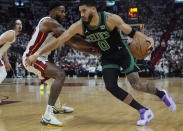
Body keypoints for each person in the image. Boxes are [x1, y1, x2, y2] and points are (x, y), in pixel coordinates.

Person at [25, 0, 176, 126]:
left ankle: (162, 94)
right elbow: (60, 40)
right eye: (80, 12)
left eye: (84, 11)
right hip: (107, 57)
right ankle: (144, 111)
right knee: (111, 86)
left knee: (136, 84)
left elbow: (132, 33)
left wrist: (148, 38)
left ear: (93, 9)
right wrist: (37, 54)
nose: (81, 14)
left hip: (122, 52)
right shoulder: (79, 25)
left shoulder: (110, 18)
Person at [22, 2, 98, 127]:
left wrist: (91, 50)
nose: (64, 14)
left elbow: (71, 43)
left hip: (41, 58)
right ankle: (47, 116)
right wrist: (93, 47)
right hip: (32, 58)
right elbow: (72, 39)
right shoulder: (49, 22)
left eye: (64, 12)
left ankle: (56, 107)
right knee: (60, 74)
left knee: (53, 81)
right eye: (61, 11)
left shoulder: (53, 25)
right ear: (53, 10)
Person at [0, 19, 22, 103]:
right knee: (2, 73)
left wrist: (7, 62)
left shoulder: (14, 36)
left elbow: (4, 49)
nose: (20, 26)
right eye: (17, 24)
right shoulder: (11, 33)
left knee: (3, 73)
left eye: (21, 24)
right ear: (13, 25)